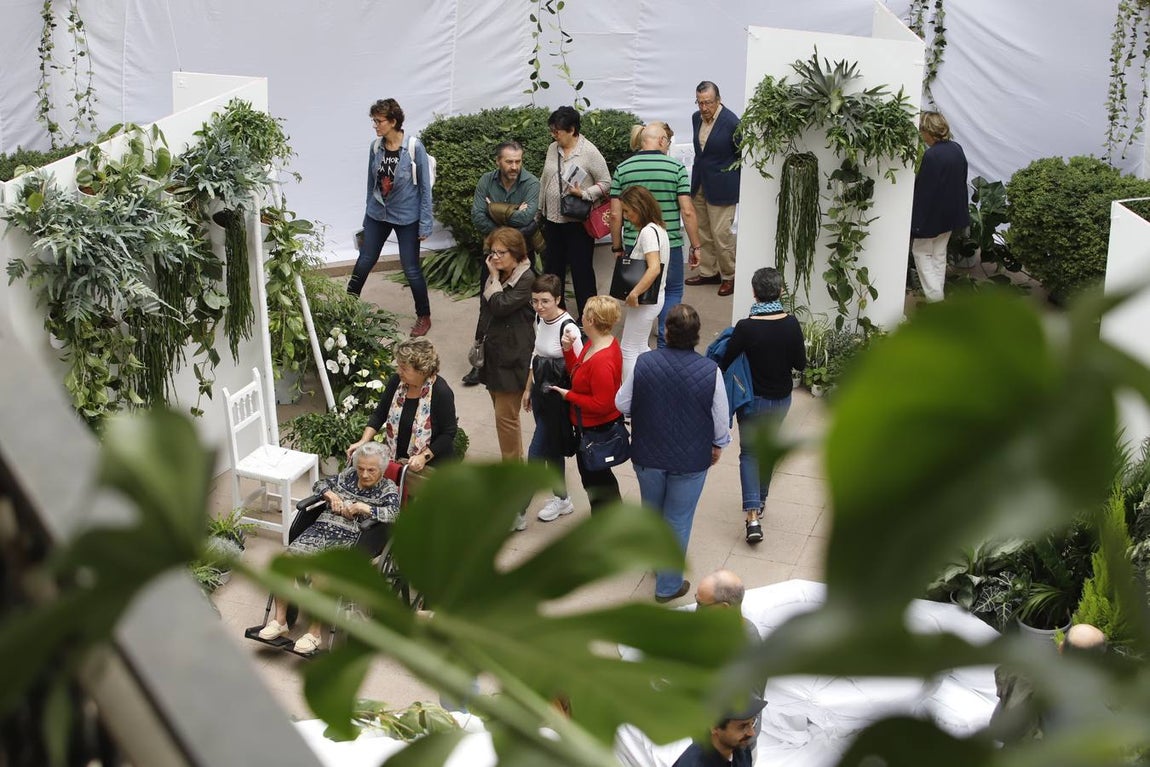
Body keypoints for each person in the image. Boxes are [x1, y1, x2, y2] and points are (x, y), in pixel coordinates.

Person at [616, 304, 731, 602]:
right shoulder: (710, 371)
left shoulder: (644, 362)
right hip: (691, 459)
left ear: (666, 331)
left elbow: (622, 403)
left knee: (652, 512)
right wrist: (718, 445)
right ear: (697, 336)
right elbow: (720, 419)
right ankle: (668, 586)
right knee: (678, 519)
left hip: (647, 454)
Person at [257, 442, 400, 654]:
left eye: (371, 470)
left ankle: (314, 634)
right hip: (321, 529)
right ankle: (280, 621)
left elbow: (395, 514)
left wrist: (365, 508)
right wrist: (330, 495)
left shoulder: (388, 488)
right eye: (361, 468)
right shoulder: (347, 476)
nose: (364, 474)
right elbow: (318, 485)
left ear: (382, 469)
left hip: (354, 536)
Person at [719, 267, 806, 545]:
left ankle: (753, 517)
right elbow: (800, 364)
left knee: (749, 454)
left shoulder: (746, 327)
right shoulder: (791, 324)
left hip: (751, 400)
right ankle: (762, 499)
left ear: (754, 292)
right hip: (781, 399)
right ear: (780, 291)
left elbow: (724, 360)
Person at [348, 98, 434, 337]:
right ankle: (347, 305)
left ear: (393, 121)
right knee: (364, 261)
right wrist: (367, 217)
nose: (375, 126)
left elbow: (425, 189)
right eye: (374, 121)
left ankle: (424, 316)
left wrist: (426, 223)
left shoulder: (415, 147)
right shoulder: (375, 147)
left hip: (407, 216)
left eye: (379, 121)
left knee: (411, 268)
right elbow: (370, 183)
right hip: (378, 214)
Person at [611, 122, 701, 348]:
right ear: (662, 141)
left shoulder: (623, 169)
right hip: (669, 244)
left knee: (640, 296)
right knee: (671, 291)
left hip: (635, 245)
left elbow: (614, 214)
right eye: (668, 141)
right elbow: (687, 211)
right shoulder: (676, 168)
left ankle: (640, 346)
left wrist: (617, 246)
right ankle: (665, 341)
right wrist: (696, 246)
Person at [464, 141, 542, 387]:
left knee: (521, 309)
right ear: (498, 161)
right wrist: (511, 216)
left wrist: (494, 209)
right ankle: (479, 363)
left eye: (518, 161)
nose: (514, 166)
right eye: (509, 161)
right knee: (487, 305)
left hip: (520, 257)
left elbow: (528, 217)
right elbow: (477, 216)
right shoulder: (486, 181)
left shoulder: (531, 182)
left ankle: (524, 359)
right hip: (493, 255)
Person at [549, 295, 624, 513]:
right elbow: (578, 374)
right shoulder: (596, 342)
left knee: (597, 482)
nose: (581, 315)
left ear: (591, 320)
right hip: (587, 426)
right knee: (595, 479)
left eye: (585, 313)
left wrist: (568, 396)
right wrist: (568, 350)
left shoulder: (601, 359)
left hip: (595, 429)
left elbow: (602, 403)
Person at [539, 105, 611, 320]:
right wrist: (539, 210)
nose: (554, 135)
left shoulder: (588, 151)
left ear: (571, 130)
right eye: (552, 130)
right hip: (553, 220)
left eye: (557, 131)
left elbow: (607, 182)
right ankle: (556, 315)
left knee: (582, 272)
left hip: (578, 223)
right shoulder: (553, 149)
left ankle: (588, 319)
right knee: (553, 270)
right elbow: (545, 179)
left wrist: (586, 193)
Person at [523, 274, 583, 522]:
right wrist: (528, 389)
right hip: (540, 393)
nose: (539, 306)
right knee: (552, 449)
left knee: (536, 453)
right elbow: (535, 352)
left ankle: (516, 511)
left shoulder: (568, 327)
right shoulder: (539, 318)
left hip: (557, 401)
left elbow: (580, 368)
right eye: (535, 300)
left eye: (545, 301)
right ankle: (562, 498)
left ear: (558, 299)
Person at [347, 337, 457, 472]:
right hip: (399, 463)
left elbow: (448, 433)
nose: (399, 371)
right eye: (399, 366)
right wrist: (363, 441)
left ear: (422, 370)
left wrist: (423, 457)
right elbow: (380, 414)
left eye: (404, 368)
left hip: (433, 467)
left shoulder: (441, 392)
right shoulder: (397, 382)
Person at [476, 227, 536, 465]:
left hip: (514, 358)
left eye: (502, 252)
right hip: (494, 354)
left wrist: (492, 277)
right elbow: (485, 310)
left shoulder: (527, 279)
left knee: (505, 418)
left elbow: (500, 305)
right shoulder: (497, 273)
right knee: (504, 416)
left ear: (516, 253)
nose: (495, 257)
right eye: (493, 252)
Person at [685, 81, 741, 298]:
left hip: (723, 186)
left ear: (718, 100)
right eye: (700, 103)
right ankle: (709, 272)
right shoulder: (695, 118)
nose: (703, 107)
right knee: (703, 231)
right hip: (700, 183)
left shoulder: (732, 123)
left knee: (721, 235)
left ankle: (730, 276)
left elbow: (740, 155)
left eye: (708, 103)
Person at [910, 110, 970, 302]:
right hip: (951, 215)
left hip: (932, 217)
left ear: (929, 131)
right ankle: (937, 298)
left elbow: (924, 192)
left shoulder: (932, 156)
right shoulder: (957, 149)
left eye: (922, 130)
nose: (921, 135)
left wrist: (916, 223)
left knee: (920, 253)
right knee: (938, 254)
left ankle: (935, 300)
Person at [616, 185, 671, 383]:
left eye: (627, 211)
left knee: (629, 348)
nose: (626, 216)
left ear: (638, 208)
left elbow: (654, 268)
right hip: (656, 297)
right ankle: (651, 383)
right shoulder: (659, 229)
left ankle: (630, 397)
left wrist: (634, 293)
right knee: (640, 346)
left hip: (646, 298)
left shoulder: (648, 232)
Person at [670, 698, 764, 767]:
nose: (752, 733)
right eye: (742, 727)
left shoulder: (740, 748)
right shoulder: (694, 763)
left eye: (753, 723)